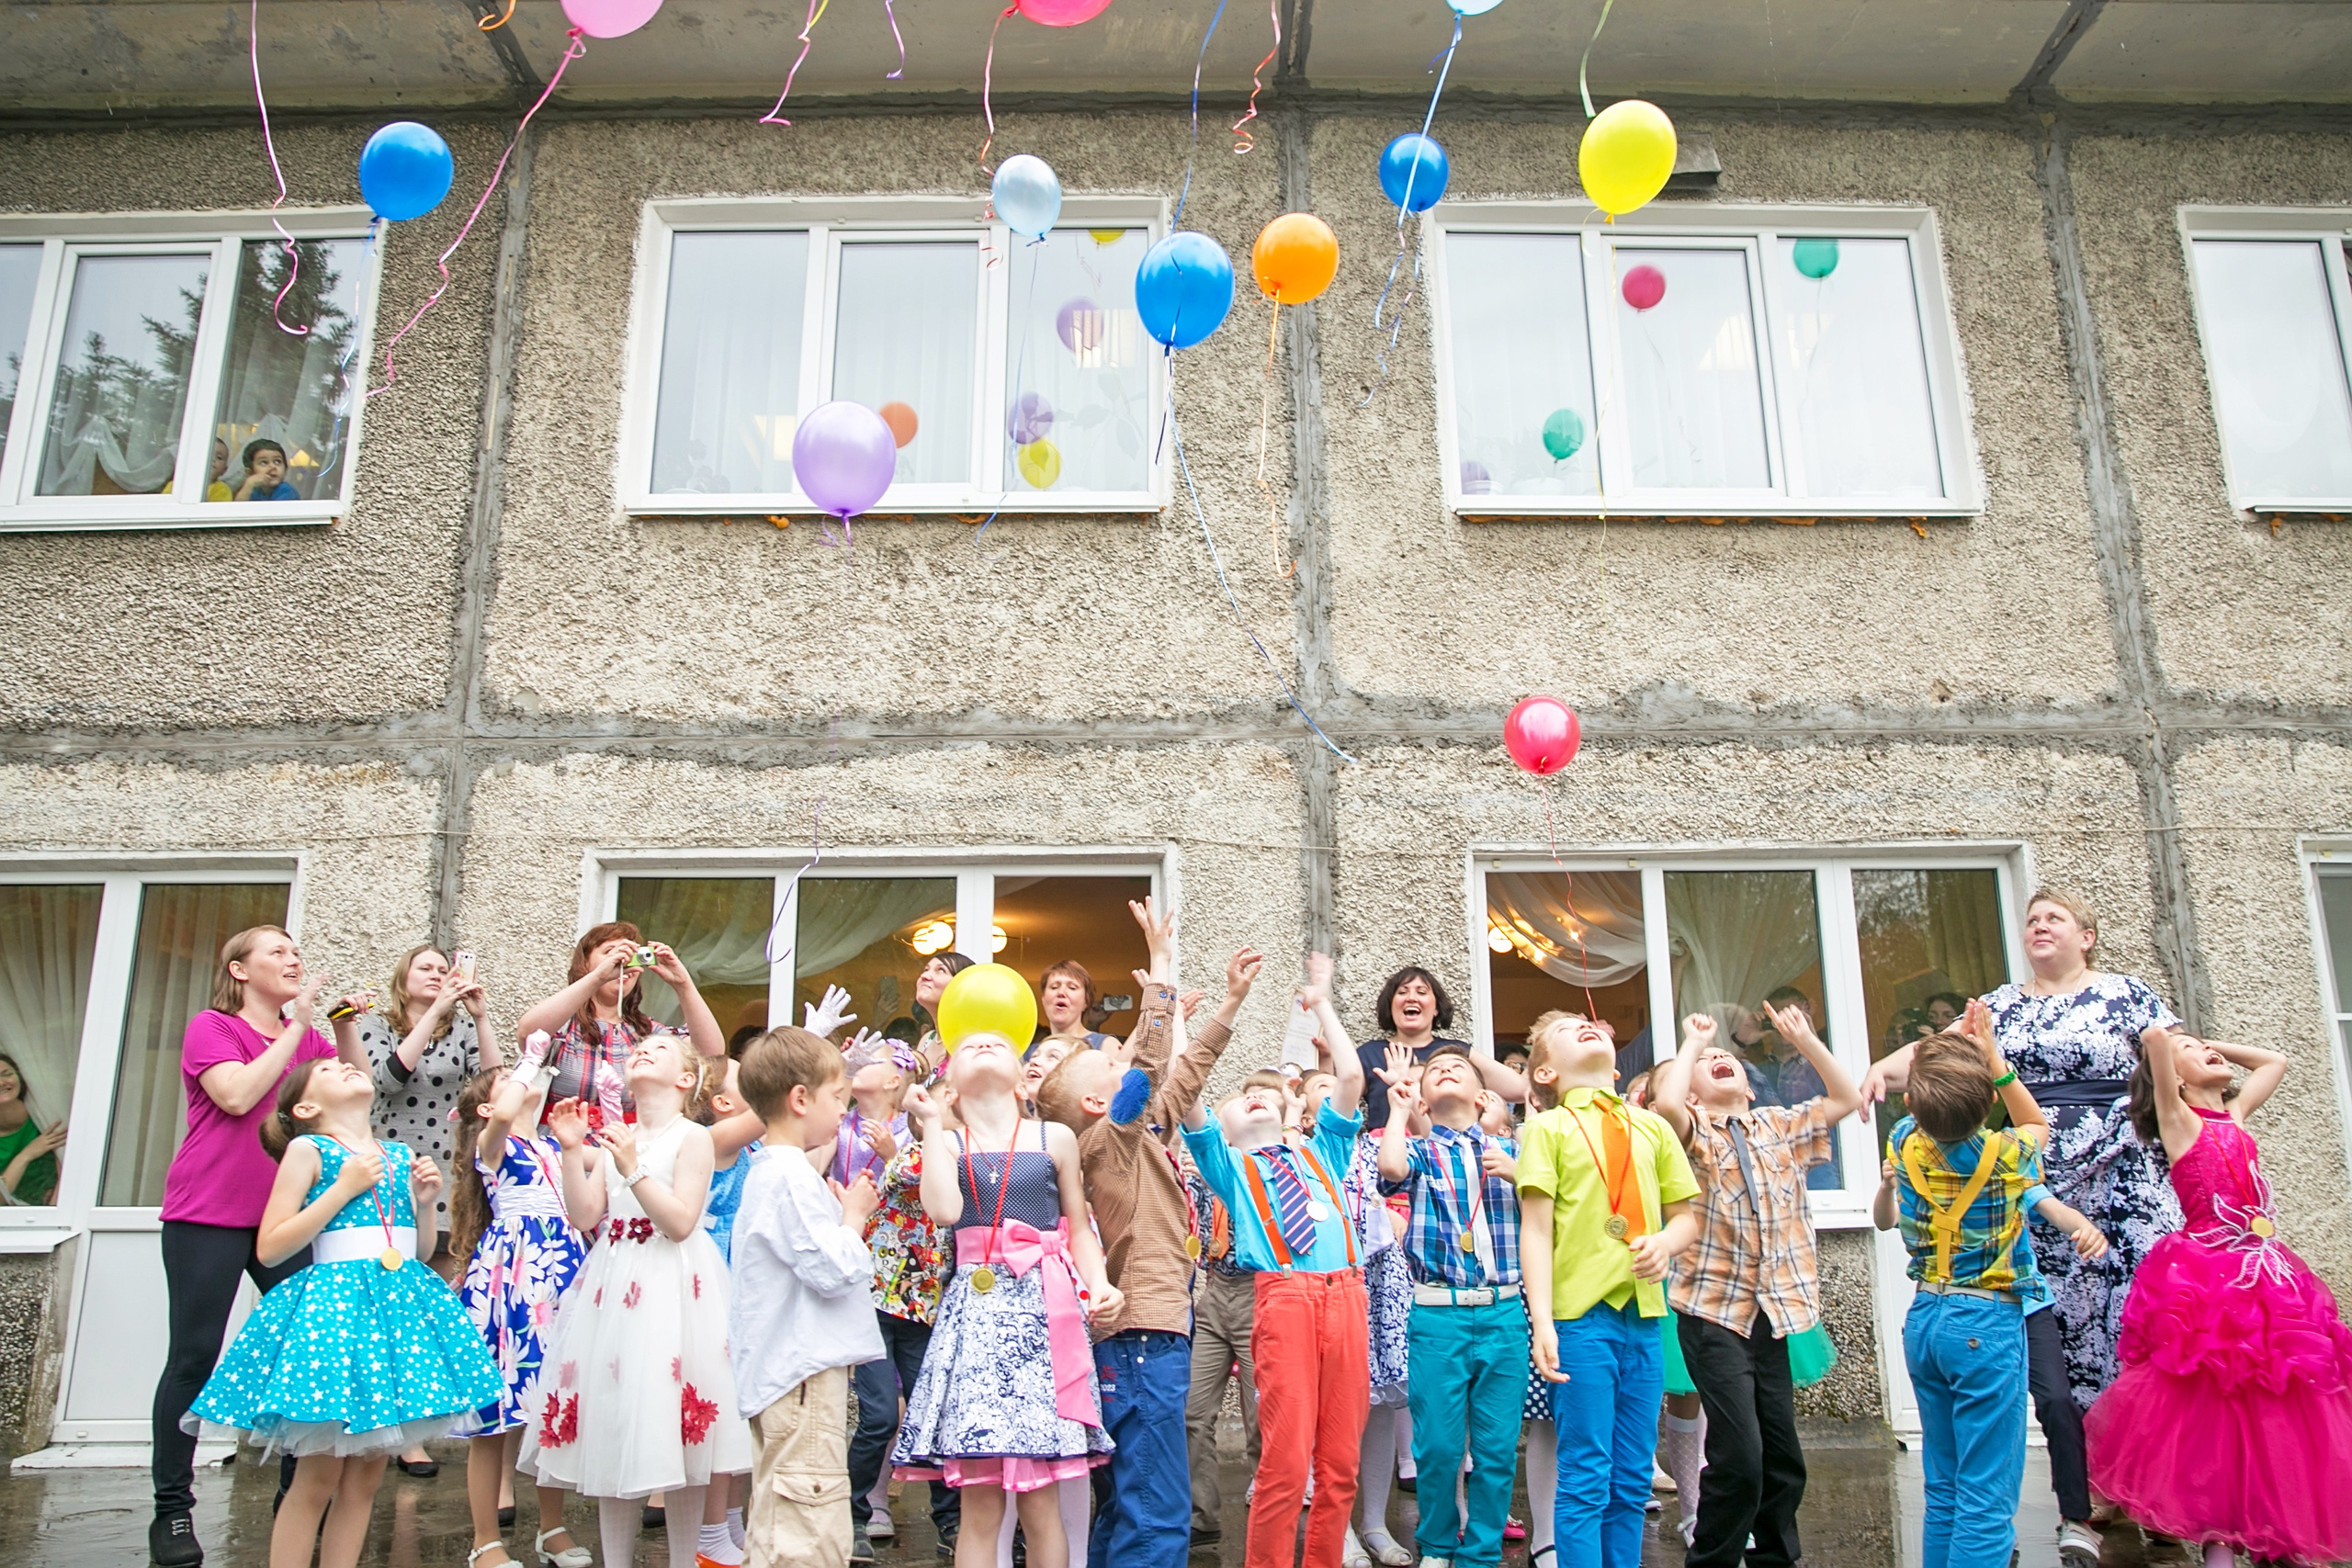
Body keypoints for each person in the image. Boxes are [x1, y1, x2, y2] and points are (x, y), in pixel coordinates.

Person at [1862, 887, 2177, 1566]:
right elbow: (2027, 1125)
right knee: (1987, 1477)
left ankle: (2147, 1493)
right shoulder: (2009, 1136)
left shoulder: (1906, 1150)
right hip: (1997, 1296)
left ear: (2087, 934)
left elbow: (2177, 1067)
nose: (2038, 924)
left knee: (1948, 1472)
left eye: (2053, 916)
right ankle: (2078, 1502)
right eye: (2030, 917)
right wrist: (1889, 1070)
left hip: (1946, 1302)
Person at [182, 1056, 502, 1568]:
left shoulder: (397, 1153)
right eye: (330, 1069)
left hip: (395, 1313)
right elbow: (270, 1247)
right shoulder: (310, 1149)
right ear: (306, 1106)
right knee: (319, 1474)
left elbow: (417, 1252)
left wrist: (424, 1204)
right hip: (337, 1316)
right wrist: (342, 1187)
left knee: (367, 1476)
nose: (347, 1067)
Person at [2086, 1028, 2352, 1567]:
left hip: (2269, 1278)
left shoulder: (2236, 1116)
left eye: (2210, 1048)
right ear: (2177, 1081)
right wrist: (2170, 1042)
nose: (2208, 1051)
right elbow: (2157, 1043)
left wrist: (2212, 1049)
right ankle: (2220, 1540)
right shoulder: (2180, 1121)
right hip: (2211, 1279)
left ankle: (2276, 1532)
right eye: (2195, 1053)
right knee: (2218, 1409)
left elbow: (2275, 1059)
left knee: (2274, 1402)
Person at [149, 925, 372, 1568]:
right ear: (240, 970)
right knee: (193, 1354)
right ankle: (173, 1509)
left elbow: (349, 1093)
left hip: (293, 1217)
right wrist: (294, 1030)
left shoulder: (307, 1037)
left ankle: (293, 1500)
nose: (293, 957)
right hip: (210, 1211)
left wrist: (336, 1027)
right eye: (276, 950)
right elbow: (241, 1094)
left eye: (296, 949)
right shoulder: (211, 1027)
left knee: (308, 1359)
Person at [1038, 903, 1252, 1568]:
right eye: (1113, 1072)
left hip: (1147, 1335)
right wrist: (1159, 971)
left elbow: (1184, 1073)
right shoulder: (1107, 1142)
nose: (1125, 1067)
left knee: (1132, 1498)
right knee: (1157, 1506)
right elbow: (1156, 1064)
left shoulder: (1133, 1137)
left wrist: (1230, 1005)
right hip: (1142, 1339)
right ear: (1102, 1104)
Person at [890, 1022, 1123, 1568]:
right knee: (981, 1505)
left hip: (1044, 1313)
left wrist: (1100, 1282)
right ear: (951, 1088)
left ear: (1025, 1082)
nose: (985, 1043)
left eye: (999, 1042)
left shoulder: (1055, 1138)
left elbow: (1079, 1227)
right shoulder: (946, 1142)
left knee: (1042, 1503)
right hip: (976, 1321)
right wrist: (928, 1126)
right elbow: (945, 1212)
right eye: (969, 1045)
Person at [521, 1032, 753, 1568]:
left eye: (660, 1049)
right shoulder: (616, 1136)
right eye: (639, 1047)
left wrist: (632, 1166)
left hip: (673, 1286)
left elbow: (678, 1222)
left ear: (686, 1079)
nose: (643, 1050)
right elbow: (585, 1216)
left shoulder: (693, 1136)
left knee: (679, 1431)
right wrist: (574, 1150)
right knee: (616, 1419)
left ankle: (682, 1558)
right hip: (614, 1284)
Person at [1645, 1002, 1860, 1568]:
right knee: (1739, 1456)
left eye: (1729, 1058)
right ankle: (1711, 1558)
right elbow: (1665, 1103)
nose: (1720, 1059)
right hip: (1712, 1312)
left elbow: (1846, 1098)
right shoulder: (1693, 1132)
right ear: (1693, 1091)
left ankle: (1775, 1557)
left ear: (1749, 1085)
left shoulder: (1779, 1126)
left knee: (1783, 1456)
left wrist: (1808, 1040)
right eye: (1708, 1062)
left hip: (1777, 1312)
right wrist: (1692, 1042)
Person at [1182, 953, 1367, 1568]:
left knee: (1340, 1463)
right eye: (1243, 1099)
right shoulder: (1230, 1168)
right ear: (1225, 1129)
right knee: (1284, 1463)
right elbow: (1188, 1096)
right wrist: (1210, 1011)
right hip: (1284, 1297)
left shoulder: (1326, 1154)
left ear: (1291, 1111)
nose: (1256, 1098)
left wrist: (1322, 1001)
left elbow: (1350, 1077)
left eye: (1267, 1094)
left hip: (1347, 1295)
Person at [1871, 1003, 2051, 1568]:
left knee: (1943, 1485)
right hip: (1985, 1323)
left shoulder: (1903, 1140)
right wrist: (1994, 1057)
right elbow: (2038, 1125)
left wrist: (1953, 1041)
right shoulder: (2003, 1155)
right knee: (1985, 1496)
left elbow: (1918, 1083)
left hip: (1925, 1320)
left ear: (1911, 1104)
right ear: (1991, 1101)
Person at [1518, 1011, 1700, 1568]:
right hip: (1582, 1319)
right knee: (1586, 1471)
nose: (1588, 1026)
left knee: (1631, 1476)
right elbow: (1536, 1229)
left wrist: (1666, 1244)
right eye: (1570, 1030)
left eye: (1591, 1025)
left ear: (1618, 1068)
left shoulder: (1653, 1127)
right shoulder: (1546, 1130)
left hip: (1644, 1319)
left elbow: (1685, 1218)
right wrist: (1543, 1322)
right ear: (1545, 1073)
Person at [729, 1025, 888, 1568]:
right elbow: (832, 1269)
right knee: (808, 1529)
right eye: (838, 1098)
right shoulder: (790, 1177)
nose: (843, 1112)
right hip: (798, 1381)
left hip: (786, 1377)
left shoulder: (775, 1173)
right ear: (801, 1099)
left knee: (781, 1519)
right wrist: (855, 1219)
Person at [1374, 1043, 1530, 1568]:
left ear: (1482, 1092)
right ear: (1423, 1098)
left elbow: (1554, 1195)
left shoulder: (1512, 1147)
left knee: (1496, 1448)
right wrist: (1399, 1110)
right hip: (1438, 1313)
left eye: (1456, 1067)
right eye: (1434, 1070)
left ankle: (1482, 1550)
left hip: (1504, 1312)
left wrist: (1518, 1172)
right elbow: (1390, 1165)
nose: (1444, 1070)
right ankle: (1439, 1544)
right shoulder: (1422, 1150)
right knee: (1438, 1446)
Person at [447, 1053, 593, 1568]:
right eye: (508, 1080)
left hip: (563, 1274)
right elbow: (505, 1116)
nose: (524, 1080)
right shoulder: (493, 1145)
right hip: (513, 1282)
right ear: (486, 1107)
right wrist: (531, 1059)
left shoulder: (556, 1145)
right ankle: (484, 1539)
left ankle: (551, 1527)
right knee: (495, 1414)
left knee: (552, 1403)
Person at [842, 1036, 960, 1562]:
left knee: (929, 1416)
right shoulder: (916, 1153)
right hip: (875, 1303)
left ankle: (950, 1520)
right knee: (879, 1418)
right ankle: (852, 1517)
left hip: (925, 1309)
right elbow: (919, 1177)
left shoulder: (968, 1156)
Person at [514, 922, 726, 1118]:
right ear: (585, 964)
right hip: (559, 1147)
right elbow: (527, 1032)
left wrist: (683, 984)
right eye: (611, 952)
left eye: (630, 955)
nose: (623, 961)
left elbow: (710, 1055)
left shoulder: (646, 1033)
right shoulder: (563, 1024)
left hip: (625, 1148)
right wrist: (599, 976)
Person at [357, 944, 489, 1236]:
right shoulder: (377, 1025)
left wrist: (481, 1018)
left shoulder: (462, 1029)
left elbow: (491, 1085)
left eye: (443, 971)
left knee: (437, 1262)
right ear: (403, 978)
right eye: (425, 969)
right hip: (387, 1160)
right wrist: (435, 1012)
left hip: (444, 1165)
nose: (436, 976)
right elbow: (389, 1080)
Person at [1182, 1145, 1261, 1554]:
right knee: (1192, 1412)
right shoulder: (1201, 1181)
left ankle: (1269, 1522)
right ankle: (1202, 1517)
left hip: (1258, 1292)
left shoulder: (1264, 1170)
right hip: (1214, 1292)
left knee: (1261, 1422)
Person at [1354, 966, 1523, 1129]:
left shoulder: (1455, 1052)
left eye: (1421, 992)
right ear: (1391, 1007)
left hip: (1448, 1152)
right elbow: (1342, 1105)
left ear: (1436, 1009)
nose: (1411, 998)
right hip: (1387, 1149)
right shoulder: (1369, 1054)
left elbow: (1520, 1090)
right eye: (1402, 992)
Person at [0, 1053, 64, 1205]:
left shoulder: (45, 1116)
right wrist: (27, 1154)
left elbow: (68, 1160)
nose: (2, 1082)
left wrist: (54, 1209)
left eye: (7, 1074)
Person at [1037, 959, 1110, 1051]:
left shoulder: (1106, 1045)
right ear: (1043, 999)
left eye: (1072, 988)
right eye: (1054, 987)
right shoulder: (1030, 1053)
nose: (1061, 992)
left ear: (1086, 1001)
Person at [232, 438, 303, 502]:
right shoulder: (253, 491)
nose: (272, 466)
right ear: (250, 472)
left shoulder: (287, 491)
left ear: (285, 469)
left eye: (277, 462)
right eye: (264, 462)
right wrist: (248, 485)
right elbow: (237, 511)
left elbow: (273, 514)